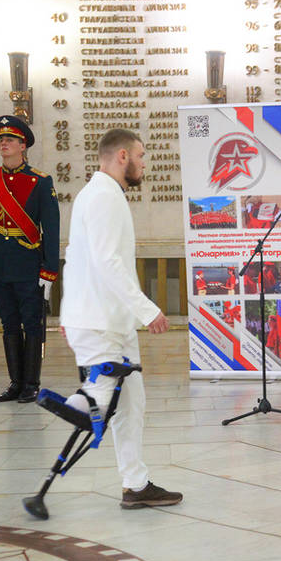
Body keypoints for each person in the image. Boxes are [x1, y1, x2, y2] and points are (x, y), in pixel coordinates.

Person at [60, 128, 182, 509]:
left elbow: (76, 256)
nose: (145, 163)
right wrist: (148, 310)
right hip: (101, 321)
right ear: (123, 156)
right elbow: (106, 262)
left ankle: (136, 485)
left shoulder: (102, 194)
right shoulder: (101, 197)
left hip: (109, 319)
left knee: (131, 405)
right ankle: (72, 405)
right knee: (103, 395)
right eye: (142, 156)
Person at [0, 115, 60, 404]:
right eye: (0, 139)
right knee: (9, 324)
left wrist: (49, 270)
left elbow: (51, 228)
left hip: (28, 263)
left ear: (23, 145)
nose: (3, 144)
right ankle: (15, 382)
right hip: (0, 262)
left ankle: (31, 383)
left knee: (32, 323)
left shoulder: (40, 181)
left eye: (9, 139)